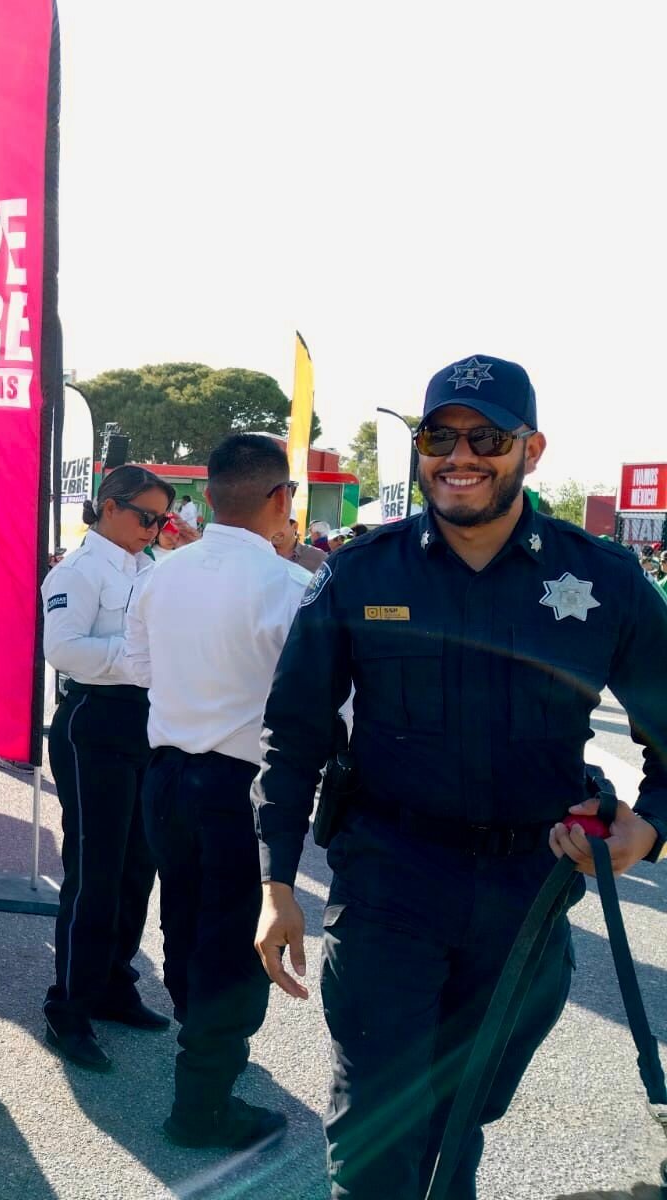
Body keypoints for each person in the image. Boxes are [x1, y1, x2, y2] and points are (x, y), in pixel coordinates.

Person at [253, 354, 667, 1199]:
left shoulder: (604, 579)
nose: (460, 455)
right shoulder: (362, 573)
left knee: (459, 1116)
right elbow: (293, 736)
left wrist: (648, 826)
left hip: (526, 897)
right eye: (439, 436)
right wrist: (275, 881)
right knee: (375, 1127)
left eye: (487, 437)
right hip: (389, 883)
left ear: (531, 449)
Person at [130, 435, 310, 1149]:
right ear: (281, 498)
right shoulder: (291, 588)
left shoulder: (161, 575)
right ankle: (200, 1104)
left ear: (207, 497)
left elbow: (141, 668)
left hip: (167, 775)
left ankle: (200, 1049)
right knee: (233, 944)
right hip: (240, 787)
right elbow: (327, 706)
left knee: (183, 917)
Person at [39, 464, 182, 1071]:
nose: (154, 528)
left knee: (136, 868)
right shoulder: (77, 570)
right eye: (146, 516)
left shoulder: (149, 567)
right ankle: (68, 1005)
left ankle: (114, 982)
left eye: (162, 519)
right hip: (93, 722)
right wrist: (141, 656)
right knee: (94, 872)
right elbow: (63, 649)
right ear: (110, 507)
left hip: (144, 723)